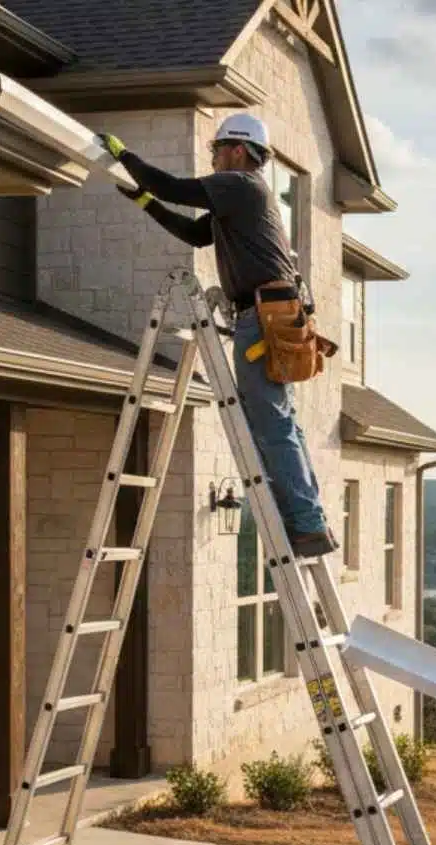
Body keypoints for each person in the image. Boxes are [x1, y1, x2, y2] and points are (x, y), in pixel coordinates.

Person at [98, 114, 337, 558]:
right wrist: (146, 201)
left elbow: (176, 188)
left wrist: (126, 156)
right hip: (271, 313)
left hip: (264, 315)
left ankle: (304, 523)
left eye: (217, 148)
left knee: (270, 421)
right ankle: (309, 519)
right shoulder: (239, 201)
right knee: (278, 420)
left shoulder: (241, 186)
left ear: (239, 151)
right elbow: (194, 232)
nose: (213, 157)